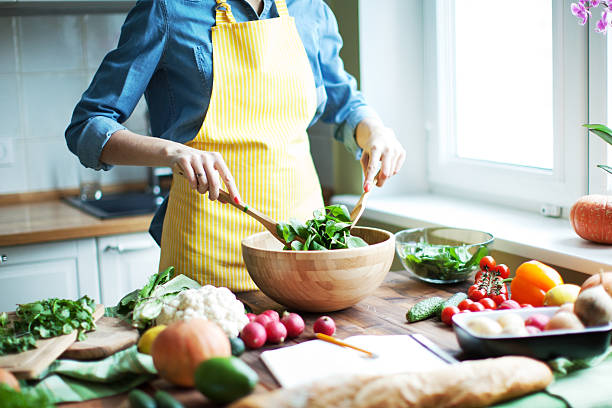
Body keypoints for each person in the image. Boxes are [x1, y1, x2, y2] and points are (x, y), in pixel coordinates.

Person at [66, 0, 406, 291]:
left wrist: (375, 131)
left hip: (304, 246)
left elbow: (343, 101)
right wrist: (173, 152)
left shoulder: (309, 7)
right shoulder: (167, 8)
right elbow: (88, 125)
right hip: (207, 250)